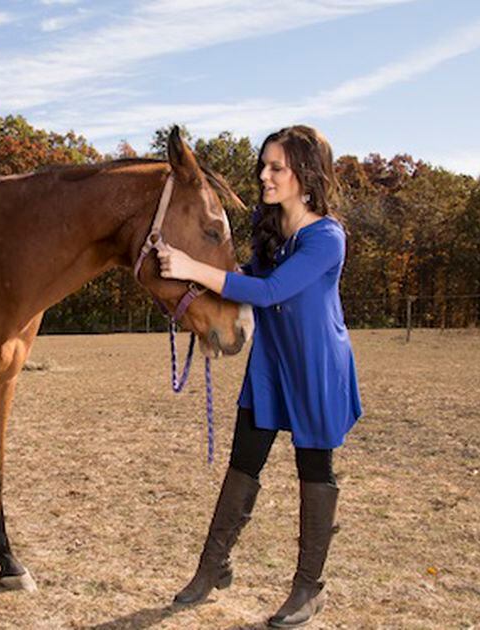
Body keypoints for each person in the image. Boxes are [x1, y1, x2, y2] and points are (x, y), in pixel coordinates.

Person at [155, 125, 362, 628]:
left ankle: (308, 589)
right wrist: (187, 270)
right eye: (264, 166)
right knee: (243, 464)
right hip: (271, 363)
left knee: (315, 471)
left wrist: (192, 266)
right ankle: (212, 568)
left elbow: (269, 292)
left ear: (305, 176)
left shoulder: (326, 238)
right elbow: (248, 276)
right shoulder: (271, 232)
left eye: (276, 168)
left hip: (315, 367)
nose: (265, 176)